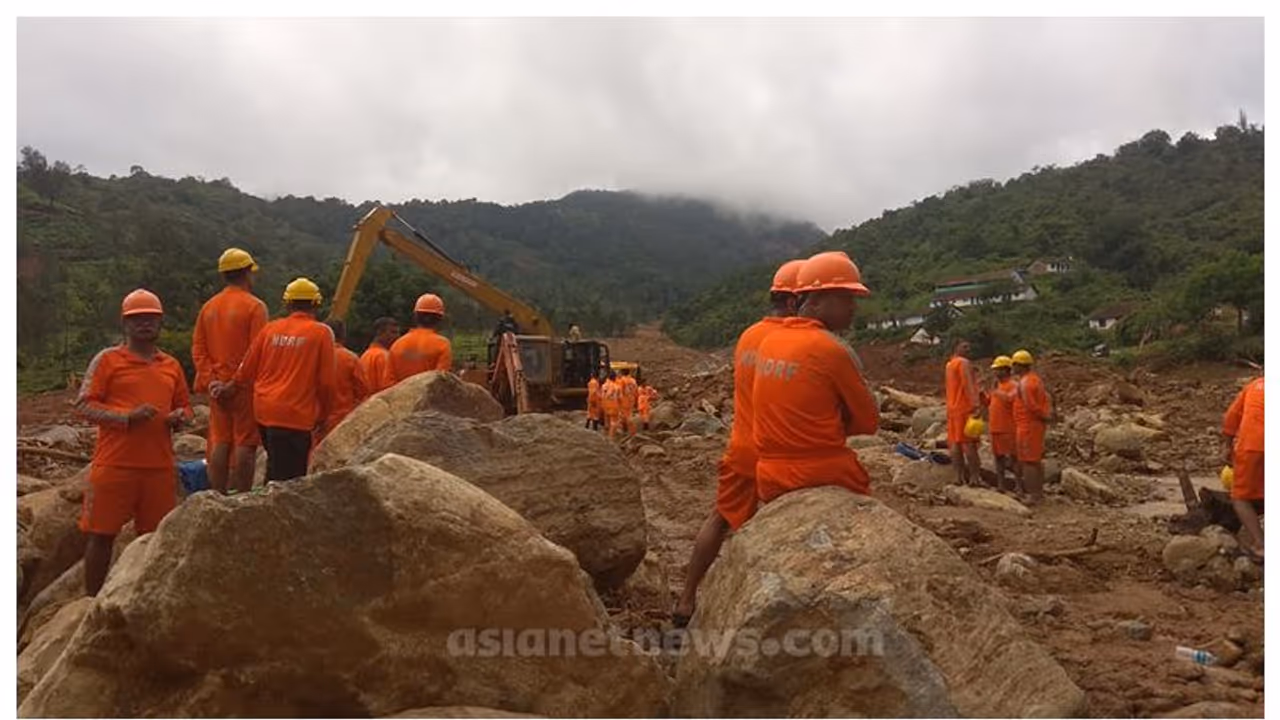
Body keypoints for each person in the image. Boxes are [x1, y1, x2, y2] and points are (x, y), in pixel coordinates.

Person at [673, 259, 804, 627]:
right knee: (785, 529)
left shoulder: (748, 335)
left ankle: (685, 601)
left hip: (742, 445)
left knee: (719, 519)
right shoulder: (793, 340)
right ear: (796, 302)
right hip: (779, 453)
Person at [75, 289, 192, 595]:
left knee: (153, 539)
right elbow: (84, 405)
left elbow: (185, 405)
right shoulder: (108, 360)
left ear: (160, 323)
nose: (145, 324)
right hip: (115, 464)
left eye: (151, 319)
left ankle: (142, 598)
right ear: (125, 324)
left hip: (159, 466)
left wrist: (180, 416)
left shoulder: (171, 365)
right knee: (101, 536)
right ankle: (91, 603)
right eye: (137, 319)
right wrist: (127, 417)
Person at [753, 251, 879, 505]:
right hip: (821, 472)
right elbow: (867, 423)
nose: (853, 307)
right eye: (846, 298)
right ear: (818, 300)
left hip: (768, 474)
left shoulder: (769, 342)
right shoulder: (831, 348)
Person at [227, 278, 336, 483]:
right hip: (295, 415)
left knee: (276, 467)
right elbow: (327, 383)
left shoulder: (270, 329)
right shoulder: (321, 333)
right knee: (290, 481)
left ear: (287, 303)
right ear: (316, 304)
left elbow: (246, 369)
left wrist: (229, 388)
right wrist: (324, 415)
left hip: (264, 412)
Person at [192, 248, 268, 494]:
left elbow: (198, 350)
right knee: (246, 443)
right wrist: (234, 384)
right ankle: (243, 497)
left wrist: (212, 382)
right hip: (243, 387)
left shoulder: (209, 308)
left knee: (220, 441)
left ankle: (217, 495)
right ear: (247, 273)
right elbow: (257, 353)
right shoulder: (255, 307)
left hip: (217, 387)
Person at [1222, 376, 1264, 558]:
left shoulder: (1254, 385)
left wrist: (1227, 446)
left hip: (1251, 445)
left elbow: (1231, 417)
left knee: (1240, 497)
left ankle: (1260, 545)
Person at [1011, 349, 1052, 505]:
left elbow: (1031, 406)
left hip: (1027, 425)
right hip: (1035, 425)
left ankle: (1033, 495)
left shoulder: (1025, 383)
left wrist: (1044, 416)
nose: (1012, 368)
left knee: (1028, 461)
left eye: (1014, 365)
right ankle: (1039, 493)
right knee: (1035, 460)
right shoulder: (1036, 379)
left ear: (1020, 365)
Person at [319, 319, 368, 440]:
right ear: (343, 335)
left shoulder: (312, 356)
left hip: (315, 422)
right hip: (343, 421)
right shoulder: (350, 358)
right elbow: (363, 392)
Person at [945, 339, 984, 486]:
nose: (969, 349)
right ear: (956, 347)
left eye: (969, 346)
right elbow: (968, 385)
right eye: (965, 346)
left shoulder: (949, 365)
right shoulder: (963, 363)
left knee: (955, 443)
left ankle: (958, 477)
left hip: (952, 409)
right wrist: (976, 405)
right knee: (969, 444)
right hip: (965, 409)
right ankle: (975, 478)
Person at [390, 294, 453, 380]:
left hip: (401, 393)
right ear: (440, 319)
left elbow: (389, 382)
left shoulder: (397, 344)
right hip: (428, 393)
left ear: (415, 316)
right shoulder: (442, 344)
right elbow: (441, 381)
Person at [987, 355, 1019, 493]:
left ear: (1006, 370)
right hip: (996, 426)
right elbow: (990, 401)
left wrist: (996, 391)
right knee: (998, 457)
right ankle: (1001, 484)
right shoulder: (997, 386)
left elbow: (1010, 399)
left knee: (1014, 457)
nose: (995, 372)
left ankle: (1019, 485)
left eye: (998, 369)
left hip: (1009, 427)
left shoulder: (1014, 385)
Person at [359, 317, 399, 394]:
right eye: (393, 332)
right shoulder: (384, 356)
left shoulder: (366, 355)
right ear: (380, 333)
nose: (397, 336)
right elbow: (387, 389)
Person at [617, 367, 639, 437]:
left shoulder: (622, 380)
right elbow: (636, 391)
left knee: (624, 416)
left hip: (624, 399)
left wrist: (618, 400)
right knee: (629, 414)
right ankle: (629, 431)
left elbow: (620, 391)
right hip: (631, 399)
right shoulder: (633, 380)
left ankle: (630, 432)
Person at [600, 371, 622, 439]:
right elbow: (620, 398)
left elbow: (602, 396)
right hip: (613, 405)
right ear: (614, 377)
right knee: (614, 422)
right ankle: (611, 438)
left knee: (606, 421)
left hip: (605, 404)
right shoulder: (617, 387)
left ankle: (605, 436)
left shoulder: (603, 386)